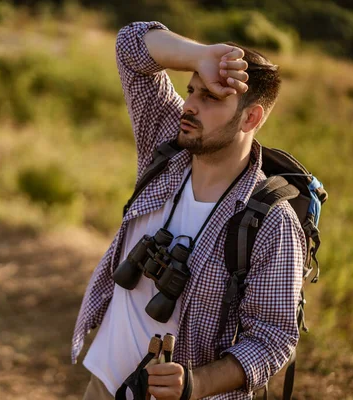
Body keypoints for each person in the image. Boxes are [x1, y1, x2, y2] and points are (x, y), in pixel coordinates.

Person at [73, 22, 306, 400]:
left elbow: (274, 337)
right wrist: (200, 55)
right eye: (191, 90)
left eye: (212, 97)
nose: (191, 105)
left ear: (251, 118)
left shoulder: (271, 222)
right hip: (105, 383)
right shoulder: (166, 149)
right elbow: (131, 45)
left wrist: (195, 384)